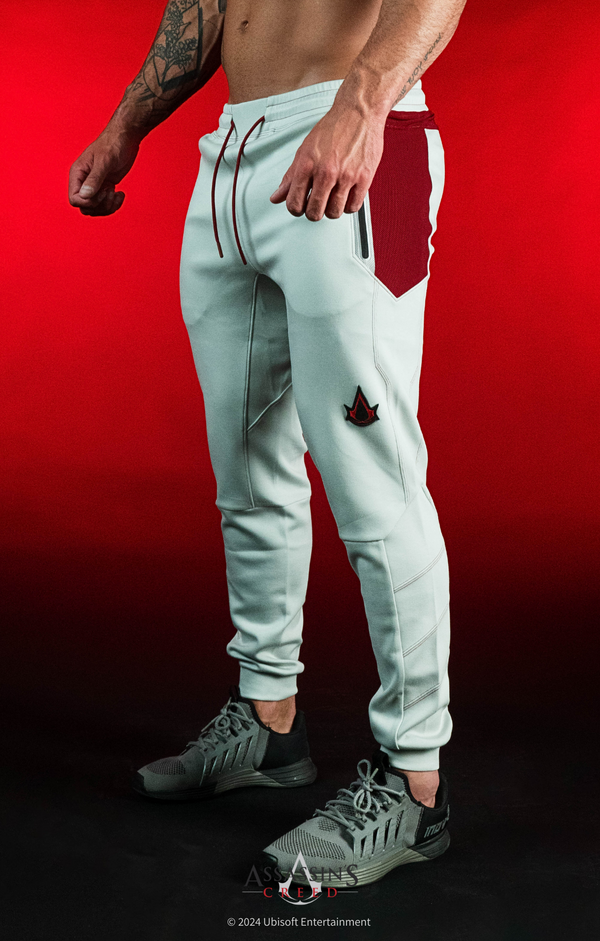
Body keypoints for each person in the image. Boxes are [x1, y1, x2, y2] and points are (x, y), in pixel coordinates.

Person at [68, 0, 467, 887]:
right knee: (246, 467)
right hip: (232, 157)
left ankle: (414, 781)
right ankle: (268, 718)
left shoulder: (360, 113)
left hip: (349, 133)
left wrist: (361, 107)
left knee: (374, 479)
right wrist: (128, 124)